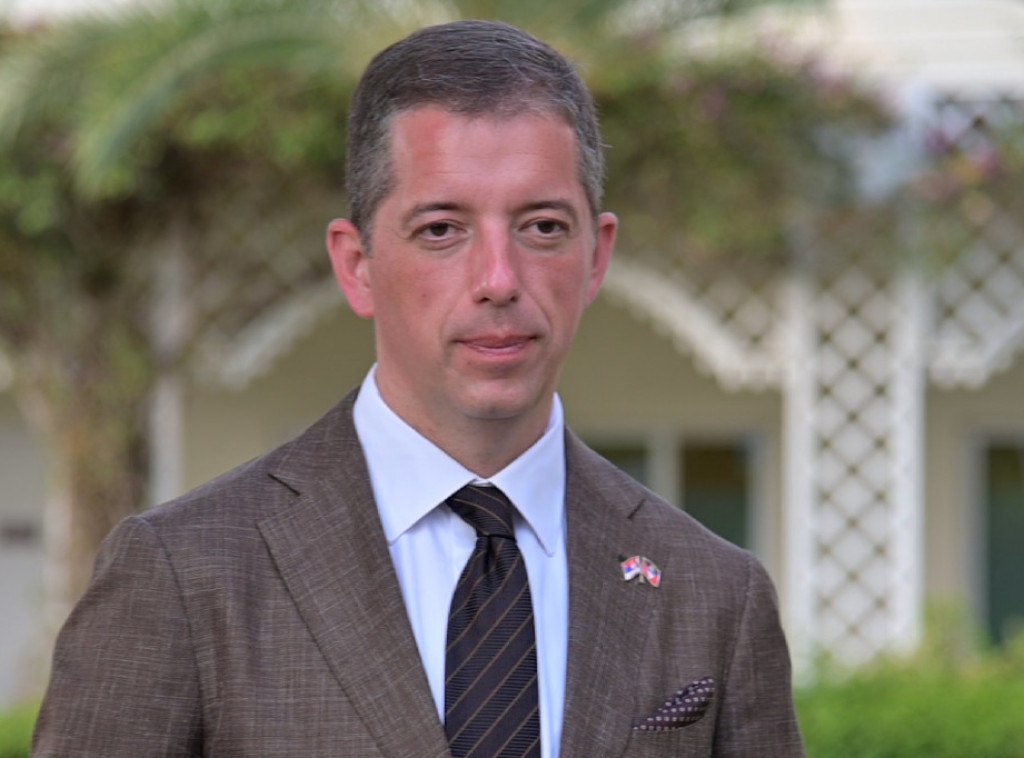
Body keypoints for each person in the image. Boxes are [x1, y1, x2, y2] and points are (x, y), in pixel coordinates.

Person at [33, 19, 805, 758]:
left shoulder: (714, 593)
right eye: (442, 229)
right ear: (357, 264)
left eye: (542, 226)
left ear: (596, 257)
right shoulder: (183, 574)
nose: (498, 279)